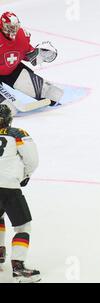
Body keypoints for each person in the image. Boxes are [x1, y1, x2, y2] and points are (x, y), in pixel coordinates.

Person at [0, 104, 40, 282]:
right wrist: (25, 176)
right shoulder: (18, 133)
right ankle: (18, 267)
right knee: (23, 226)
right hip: (9, 185)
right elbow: (32, 159)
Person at [0, 11, 62, 114]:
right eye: (10, 27)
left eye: (15, 27)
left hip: (12, 70)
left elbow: (25, 53)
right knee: (7, 111)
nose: (13, 30)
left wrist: (38, 54)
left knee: (51, 94)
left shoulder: (22, 35)